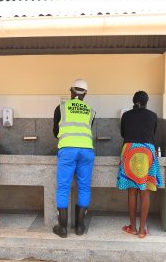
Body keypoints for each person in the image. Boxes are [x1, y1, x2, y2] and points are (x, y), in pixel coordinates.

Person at [52, 79, 96, 238]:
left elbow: (55, 131)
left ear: (71, 91)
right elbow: (87, 129)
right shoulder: (91, 111)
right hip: (86, 151)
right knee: (84, 187)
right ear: (85, 94)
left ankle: (62, 228)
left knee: (63, 188)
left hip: (67, 150)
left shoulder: (61, 108)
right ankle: (80, 227)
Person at [117, 91, 163, 238]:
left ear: (133, 101)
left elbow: (123, 134)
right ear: (146, 102)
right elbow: (153, 134)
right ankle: (142, 230)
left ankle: (132, 227)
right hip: (147, 150)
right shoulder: (153, 116)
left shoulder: (126, 115)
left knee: (132, 191)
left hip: (129, 149)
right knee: (144, 191)